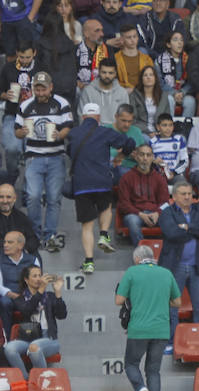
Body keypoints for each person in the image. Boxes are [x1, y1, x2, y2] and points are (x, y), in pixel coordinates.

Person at [68, 101, 135, 274]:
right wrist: (121, 155)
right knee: (106, 207)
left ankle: (89, 261)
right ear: (98, 118)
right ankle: (104, 234)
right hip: (101, 181)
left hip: (81, 184)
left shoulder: (74, 133)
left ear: (83, 117)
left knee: (87, 226)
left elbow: (69, 151)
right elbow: (130, 143)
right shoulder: (105, 132)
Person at [117, 243, 180, 391]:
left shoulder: (132, 272)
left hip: (138, 328)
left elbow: (118, 299)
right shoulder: (166, 273)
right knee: (153, 371)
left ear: (137, 259)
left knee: (131, 364)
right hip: (161, 329)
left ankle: (140, 389)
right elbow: (177, 302)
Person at [16, 72, 72, 253]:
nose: (39, 92)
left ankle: (50, 236)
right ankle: (34, 235)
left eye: (43, 89)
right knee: (32, 197)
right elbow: (16, 130)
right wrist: (22, 132)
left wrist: (59, 135)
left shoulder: (62, 103)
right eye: (37, 89)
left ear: (51, 87)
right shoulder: (25, 105)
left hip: (56, 155)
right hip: (34, 156)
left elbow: (68, 127)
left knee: (54, 198)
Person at [157, 179, 199, 337]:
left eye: (189, 194)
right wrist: (196, 228)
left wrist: (187, 227)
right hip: (175, 266)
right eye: (183, 194)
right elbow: (171, 233)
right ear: (174, 196)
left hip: (198, 266)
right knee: (171, 308)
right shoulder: (167, 212)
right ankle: (171, 342)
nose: (188, 197)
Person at [4, 266, 67, 375]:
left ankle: (42, 380)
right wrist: (41, 289)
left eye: (40, 275)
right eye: (34, 276)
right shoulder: (20, 299)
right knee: (9, 348)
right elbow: (27, 310)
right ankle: (25, 379)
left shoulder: (50, 297)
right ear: (26, 280)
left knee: (34, 347)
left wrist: (57, 292)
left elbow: (62, 315)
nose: (39, 279)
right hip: (27, 338)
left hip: (48, 338)